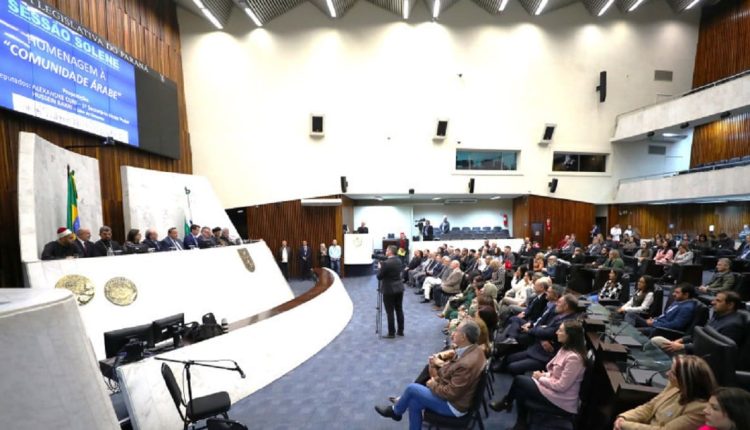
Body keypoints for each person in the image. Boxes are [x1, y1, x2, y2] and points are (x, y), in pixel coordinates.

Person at [374, 321, 485, 429]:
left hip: (454, 407)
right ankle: (397, 412)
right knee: (414, 403)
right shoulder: (476, 350)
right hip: (458, 398)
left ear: (464, 336)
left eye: (456, 330)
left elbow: (451, 394)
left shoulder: (466, 364)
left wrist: (433, 384)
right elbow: (453, 372)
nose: (453, 333)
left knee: (412, 388)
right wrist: (439, 367)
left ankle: (395, 411)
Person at [489, 320, 587, 430]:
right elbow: (553, 372)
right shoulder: (565, 348)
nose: (556, 333)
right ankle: (519, 421)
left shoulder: (574, 358)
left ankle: (509, 404)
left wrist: (541, 378)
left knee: (520, 381)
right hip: (553, 388)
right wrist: (544, 375)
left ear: (570, 335)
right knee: (521, 389)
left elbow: (561, 386)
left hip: (562, 399)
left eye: (560, 331)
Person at [614, 355, 716, 430]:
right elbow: (650, 407)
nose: (667, 374)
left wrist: (625, 425)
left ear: (686, 381)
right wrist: (624, 417)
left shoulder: (700, 409)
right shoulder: (674, 386)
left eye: (673, 373)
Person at [500, 294, 580, 375]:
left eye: (559, 302)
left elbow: (548, 332)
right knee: (510, 358)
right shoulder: (559, 315)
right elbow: (542, 327)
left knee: (512, 366)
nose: (556, 303)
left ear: (566, 306)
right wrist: (542, 336)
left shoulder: (568, 323)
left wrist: (534, 330)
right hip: (538, 346)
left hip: (546, 355)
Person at [652, 291, 745, 353]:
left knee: (656, 341)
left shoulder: (733, 325)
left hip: (702, 358)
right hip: (694, 347)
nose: (712, 302)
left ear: (730, 305)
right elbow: (700, 334)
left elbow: (716, 349)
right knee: (658, 340)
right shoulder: (718, 316)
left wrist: (683, 347)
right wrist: (682, 340)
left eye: (718, 301)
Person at [625, 283, 697, 337]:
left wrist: (654, 323)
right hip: (656, 323)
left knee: (632, 332)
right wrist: (654, 319)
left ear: (686, 295)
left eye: (677, 292)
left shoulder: (687, 308)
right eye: (674, 292)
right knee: (630, 314)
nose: (673, 294)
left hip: (660, 330)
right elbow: (665, 315)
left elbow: (675, 325)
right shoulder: (678, 301)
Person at [376, 245, 404, 338]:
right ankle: (400, 331)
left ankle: (391, 333)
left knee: (390, 312)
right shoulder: (399, 260)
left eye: (387, 250)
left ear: (390, 252)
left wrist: (380, 267)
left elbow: (379, 276)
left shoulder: (386, 263)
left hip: (389, 290)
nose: (385, 251)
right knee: (399, 309)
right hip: (399, 288)